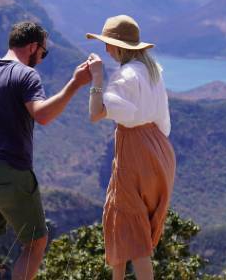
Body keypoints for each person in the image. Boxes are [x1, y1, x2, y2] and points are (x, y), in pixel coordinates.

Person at [0, 21, 92, 280]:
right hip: (10, 171)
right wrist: (75, 84)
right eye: (43, 53)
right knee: (35, 243)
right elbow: (41, 115)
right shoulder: (26, 75)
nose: (41, 59)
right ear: (32, 47)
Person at [85, 15, 176, 280]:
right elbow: (163, 122)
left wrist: (97, 78)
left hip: (134, 150)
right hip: (160, 150)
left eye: (108, 44)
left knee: (132, 230)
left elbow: (96, 113)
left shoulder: (124, 77)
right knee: (130, 223)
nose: (106, 50)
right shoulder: (153, 72)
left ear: (119, 46)